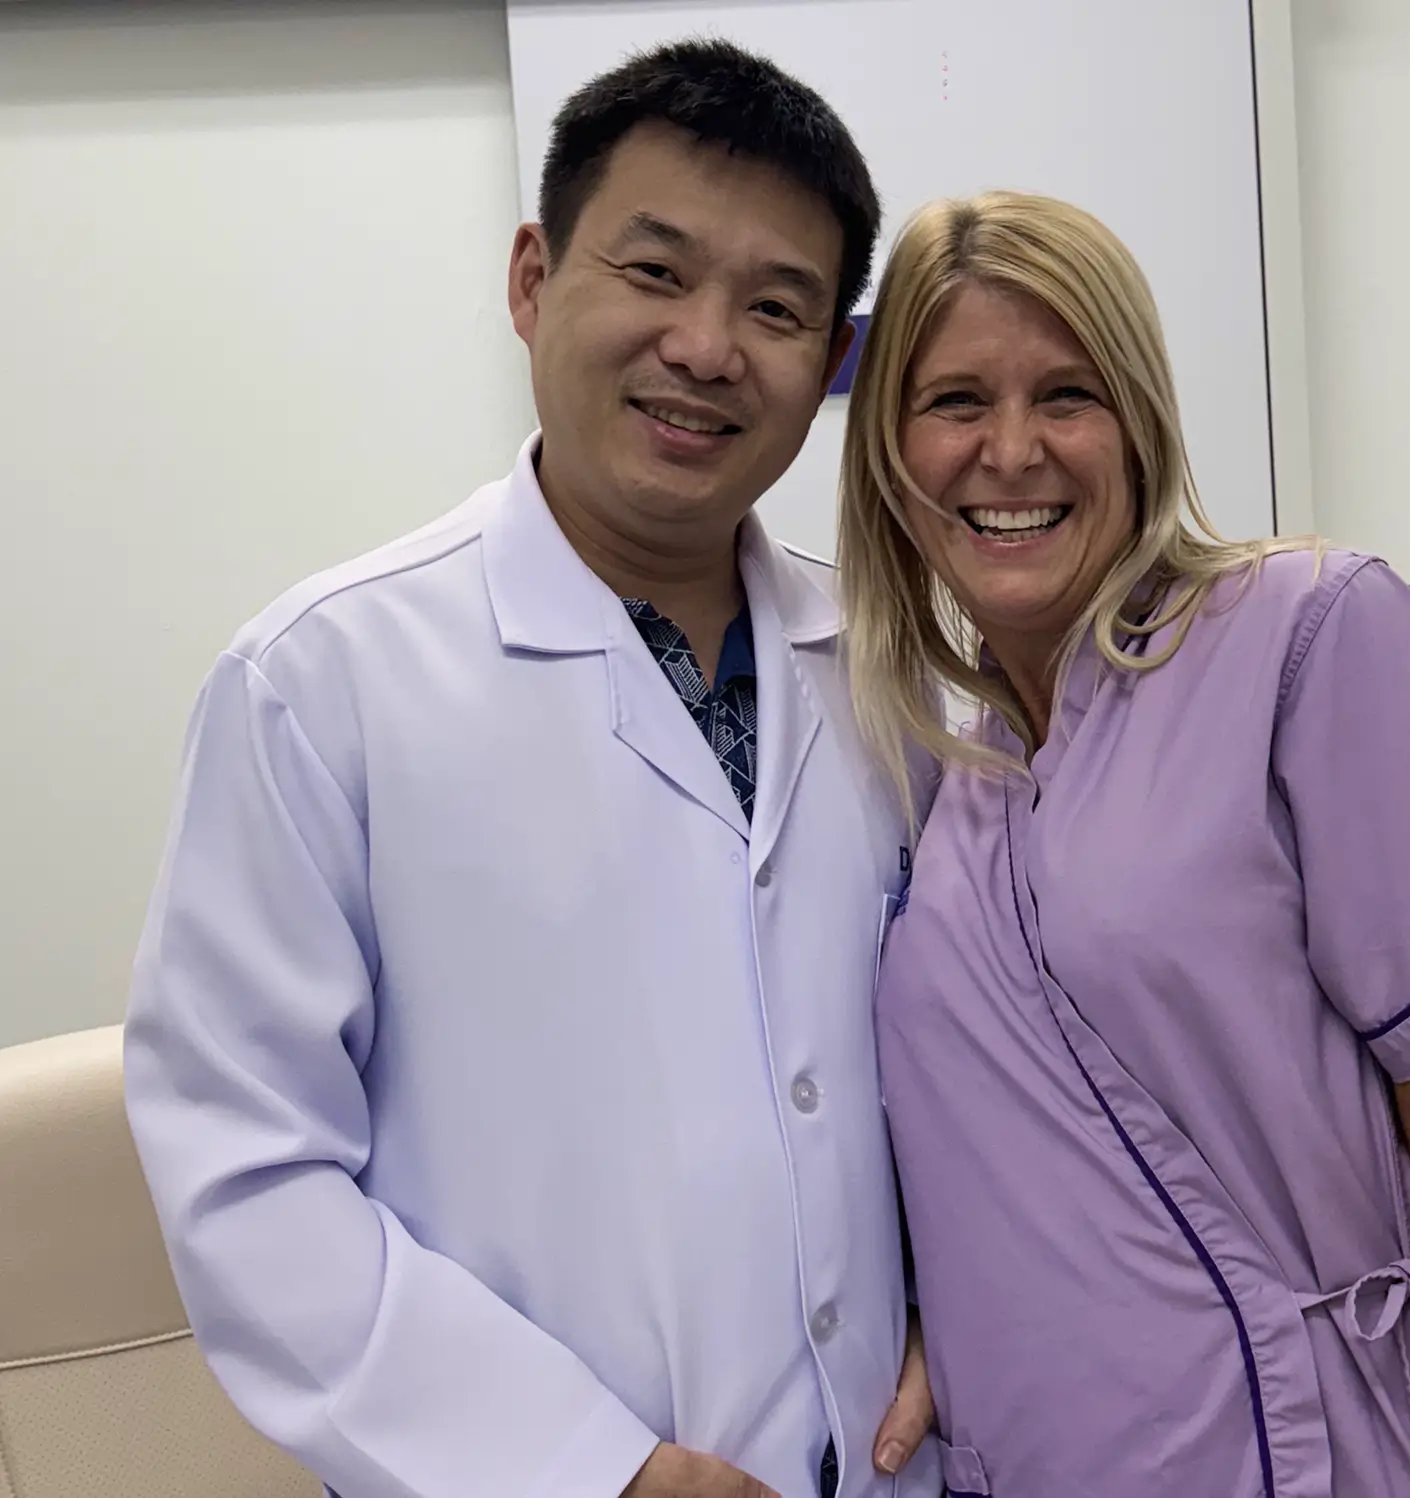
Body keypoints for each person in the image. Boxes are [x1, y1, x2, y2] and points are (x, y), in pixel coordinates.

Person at [124, 39, 939, 1498]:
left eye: (774, 307)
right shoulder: (322, 683)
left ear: (829, 365)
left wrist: (962, 1311)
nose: (706, 345)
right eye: (654, 271)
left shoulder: (888, 678)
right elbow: (249, 1171)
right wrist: (588, 1467)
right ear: (530, 278)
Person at [837, 191, 1410, 1498]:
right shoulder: (926, 769)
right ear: (889, 453)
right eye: (956, 400)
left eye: (1068, 395)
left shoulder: (1311, 638)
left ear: (1140, 425)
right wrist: (929, 1316)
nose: (1011, 450)